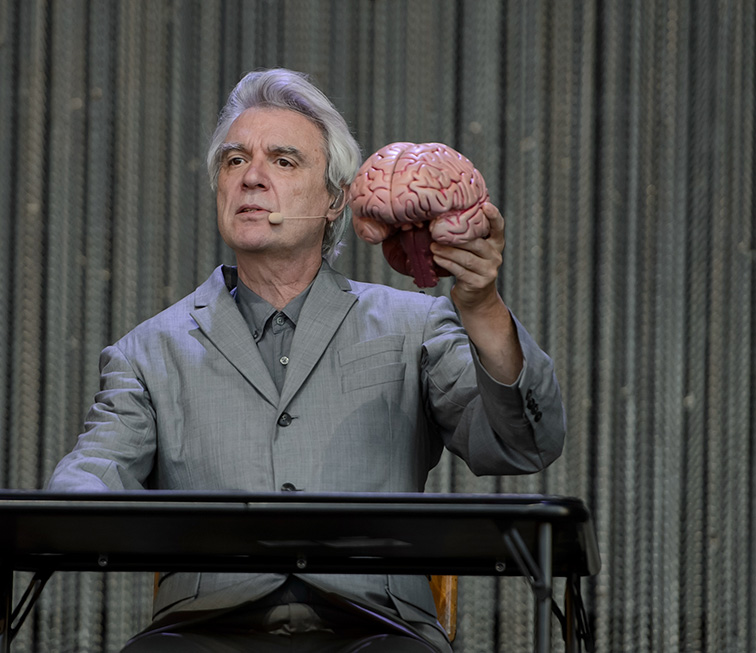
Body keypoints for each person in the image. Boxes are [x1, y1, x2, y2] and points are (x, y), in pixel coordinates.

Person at [47, 68, 565, 653]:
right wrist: (64, 502)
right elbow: (95, 473)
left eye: (284, 160)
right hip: (203, 630)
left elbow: (524, 444)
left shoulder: (415, 324)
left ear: (335, 200)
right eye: (235, 161)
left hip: (377, 628)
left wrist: (483, 306)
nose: (252, 177)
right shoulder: (147, 350)